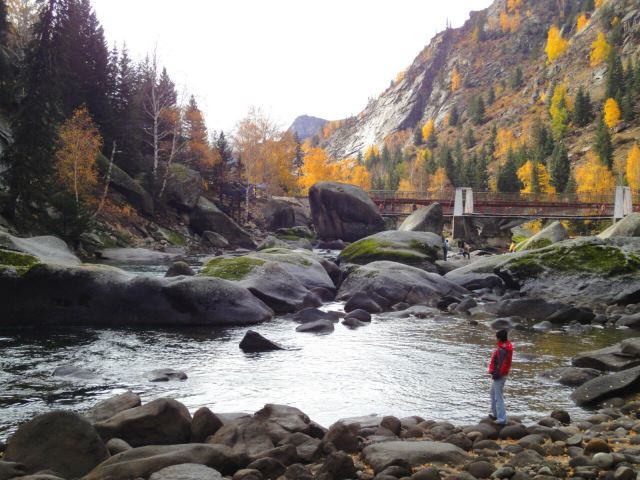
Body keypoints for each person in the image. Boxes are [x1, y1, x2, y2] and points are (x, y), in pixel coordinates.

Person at [488, 329, 513, 425]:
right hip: (501, 374)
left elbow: (501, 365)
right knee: (493, 393)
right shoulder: (505, 347)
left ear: (499, 338)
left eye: (497, 338)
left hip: (500, 375)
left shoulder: (502, 350)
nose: (496, 339)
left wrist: (495, 374)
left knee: (498, 396)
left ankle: (502, 419)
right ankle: (495, 414)